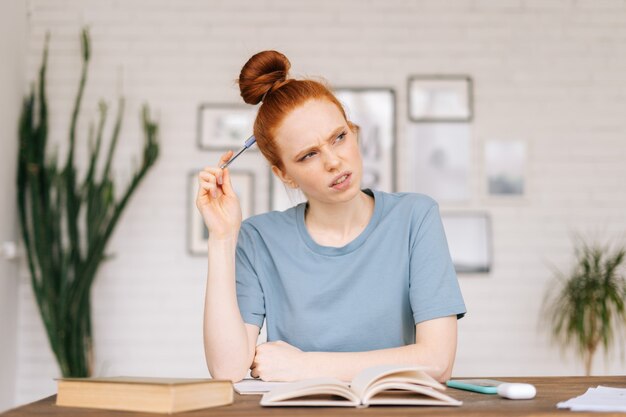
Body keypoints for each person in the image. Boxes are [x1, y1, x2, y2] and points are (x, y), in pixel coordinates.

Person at [197, 50, 466, 384]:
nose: (334, 162)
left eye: (339, 137)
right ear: (285, 174)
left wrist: (306, 366)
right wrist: (222, 237)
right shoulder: (260, 239)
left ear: (354, 131)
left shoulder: (415, 218)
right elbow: (227, 370)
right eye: (309, 155)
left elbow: (437, 362)